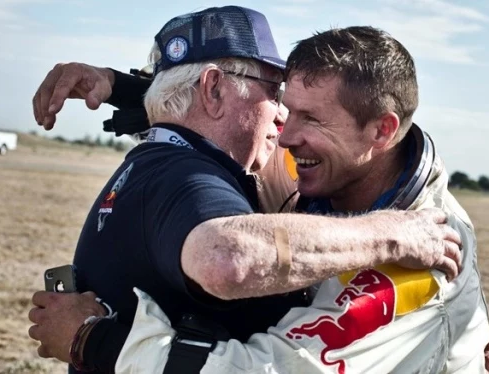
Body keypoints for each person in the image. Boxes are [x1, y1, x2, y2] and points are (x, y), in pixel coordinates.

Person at [27, 7, 464, 374]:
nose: (284, 128)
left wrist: (452, 348)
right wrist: (391, 234)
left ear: (382, 131)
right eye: (276, 94)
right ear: (212, 88)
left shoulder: (427, 245)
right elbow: (230, 257)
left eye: (304, 115)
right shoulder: (189, 178)